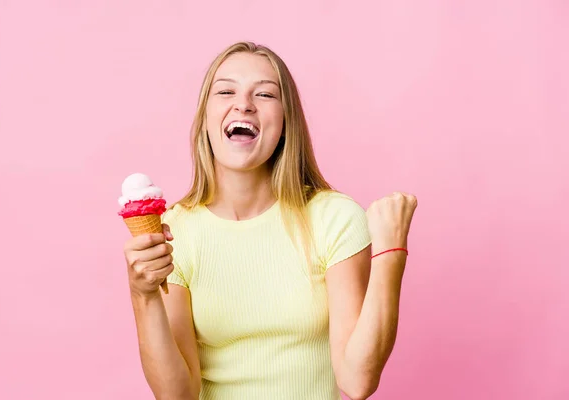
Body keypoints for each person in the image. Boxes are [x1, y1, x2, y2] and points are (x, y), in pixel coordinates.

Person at [123, 41, 417, 400]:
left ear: (284, 123)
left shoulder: (334, 218)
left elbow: (357, 381)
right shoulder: (175, 231)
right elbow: (176, 394)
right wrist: (143, 294)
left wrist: (392, 253)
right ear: (204, 120)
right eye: (226, 90)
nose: (243, 103)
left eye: (264, 94)